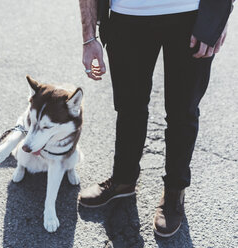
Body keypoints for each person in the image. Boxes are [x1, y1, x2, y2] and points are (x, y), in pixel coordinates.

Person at [78, 0, 233, 237]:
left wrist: (218, 18)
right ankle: (123, 180)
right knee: (129, 107)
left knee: (183, 112)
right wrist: (89, 37)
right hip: (126, 16)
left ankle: (174, 191)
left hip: (189, 14)